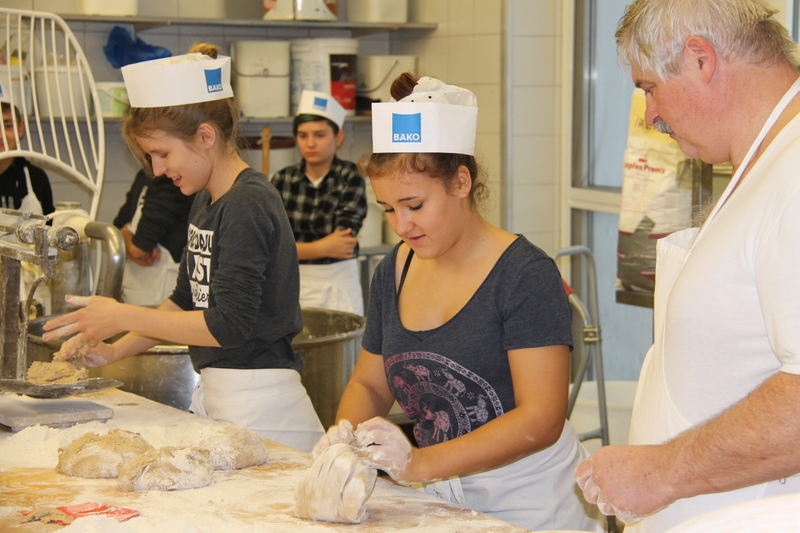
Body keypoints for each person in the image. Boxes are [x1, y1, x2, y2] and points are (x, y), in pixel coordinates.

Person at [311, 73, 603, 532]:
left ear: (461, 182)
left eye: (414, 205)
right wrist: (343, 442)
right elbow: (370, 385)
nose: (401, 225)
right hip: (439, 494)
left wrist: (422, 463)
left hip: (531, 499)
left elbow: (541, 418)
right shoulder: (394, 271)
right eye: (388, 209)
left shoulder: (524, 275)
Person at [574, 1, 800, 531]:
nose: (649, 115)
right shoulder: (764, 161)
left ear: (701, 59)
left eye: (648, 87)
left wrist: (661, 472)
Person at [42, 44, 324, 453]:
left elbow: (227, 326)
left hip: (265, 405)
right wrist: (115, 350)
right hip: (222, 395)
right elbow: (185, 300)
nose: (157, 169)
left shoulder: (247, 203)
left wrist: (120, 313)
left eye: (162, 153)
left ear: (206, 136)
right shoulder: (206, 200)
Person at [271, 90, 367, 315]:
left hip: (338, 282)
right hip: (292, 282)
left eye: (320, 135)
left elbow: (343, 243)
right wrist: (322, 247)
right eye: (303, 136)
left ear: (338, 137)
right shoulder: (282, 180)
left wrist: (293, 249)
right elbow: (272, 245)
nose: (310, 143)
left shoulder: (351, 177)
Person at [113, 169, 194, 306]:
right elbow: (116, 229)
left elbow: (138, 249)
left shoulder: (173, 181)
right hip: (136, 292)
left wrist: (126, 241)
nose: (157, 166)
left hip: (165, 293)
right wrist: (127, 240)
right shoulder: (144, 174)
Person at [0, 101, 55, 216]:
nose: (1, 135)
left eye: (8, 126)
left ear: (20, 128)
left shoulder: (36, 177)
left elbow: (49, 226)